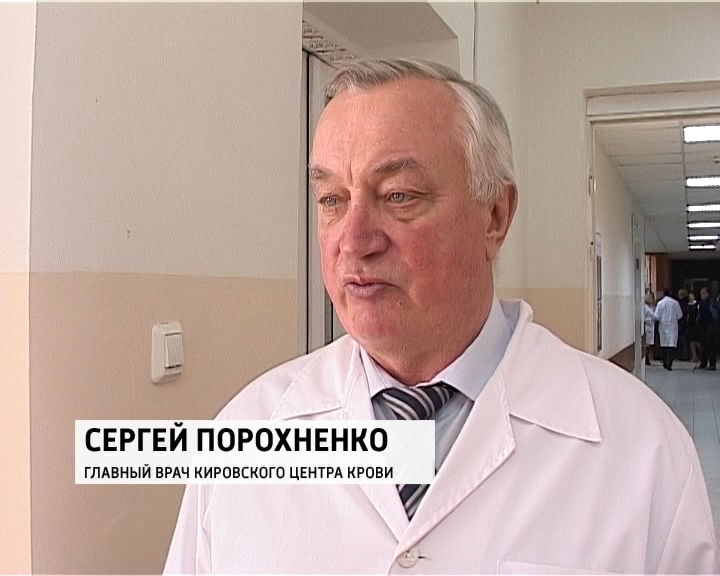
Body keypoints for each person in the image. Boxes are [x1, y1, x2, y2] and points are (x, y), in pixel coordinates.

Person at [164, 59, 719, 574]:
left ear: (495, 215)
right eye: (332, 199)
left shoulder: (643, 450)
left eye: (399, 195)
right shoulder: (245, 433)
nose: (353, 241)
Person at [654, 289, 683, 370]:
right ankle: (669, 363)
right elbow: (680, 315)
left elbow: (656, 316)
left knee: (664, 345)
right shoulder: (675, 303)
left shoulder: (660, 303)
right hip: (673, 326)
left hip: (663, 326)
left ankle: (665, 362)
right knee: (671, 345)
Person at [698, 287, 717, 371]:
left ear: (707, 294)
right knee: (704, 345)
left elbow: (714, 315)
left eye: (703, 293)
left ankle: (712, 363)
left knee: (710, 345)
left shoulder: (710, 302)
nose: (701, 295)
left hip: (710, 326)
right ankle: (703, 362)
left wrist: (713, 323)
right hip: (703, 326)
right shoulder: (702, 303)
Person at [688, 291, 702, 364]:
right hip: (690, 324)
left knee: (697, 340)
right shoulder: (688, 304)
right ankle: (694, 356)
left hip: (696, 323)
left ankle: (703, 353)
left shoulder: (697, 304)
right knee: (691, 340)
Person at [643, 290, 656, 365]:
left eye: (651, 297)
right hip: (647, 326)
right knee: (646, 343)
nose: (650, 299)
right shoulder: (645, 307)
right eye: (649, 297)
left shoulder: (652, 307)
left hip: (650, 326)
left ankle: (647, 358)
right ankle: (646, 358)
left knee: (649, 344)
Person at [677, 288, 690, 361]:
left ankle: (685, 355)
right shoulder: (686, 303)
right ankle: (685, 354)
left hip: (682, 324)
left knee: (683, 340)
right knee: (684, 340)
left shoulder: (681, 304)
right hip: (684, 323)